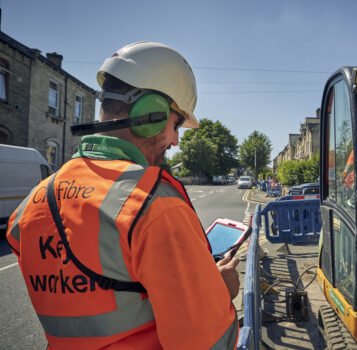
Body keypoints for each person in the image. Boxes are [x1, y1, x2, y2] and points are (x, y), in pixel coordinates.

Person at [6, 42, 239, 349]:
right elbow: (206, 342)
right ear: (152, 114)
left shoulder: (27, 209)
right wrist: (218, 292)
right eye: (176, 123)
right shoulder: (154, 205)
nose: (176, 140)